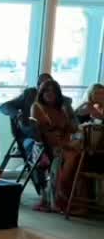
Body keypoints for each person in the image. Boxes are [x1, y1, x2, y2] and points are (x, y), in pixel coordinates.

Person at [30, 78, 81, 212]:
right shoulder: (37, 107)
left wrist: (70, 115)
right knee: (71, 155)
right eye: (46, 91)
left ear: (58, 94)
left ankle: (68, 194)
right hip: (43, 147)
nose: (50, 94)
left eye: (53, 91)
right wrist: (64, 144)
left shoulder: (62, 109)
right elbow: (43, 133)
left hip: (61, 144)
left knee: (80, 155)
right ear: (41, 93)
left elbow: (71, 130)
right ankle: (61, 191)